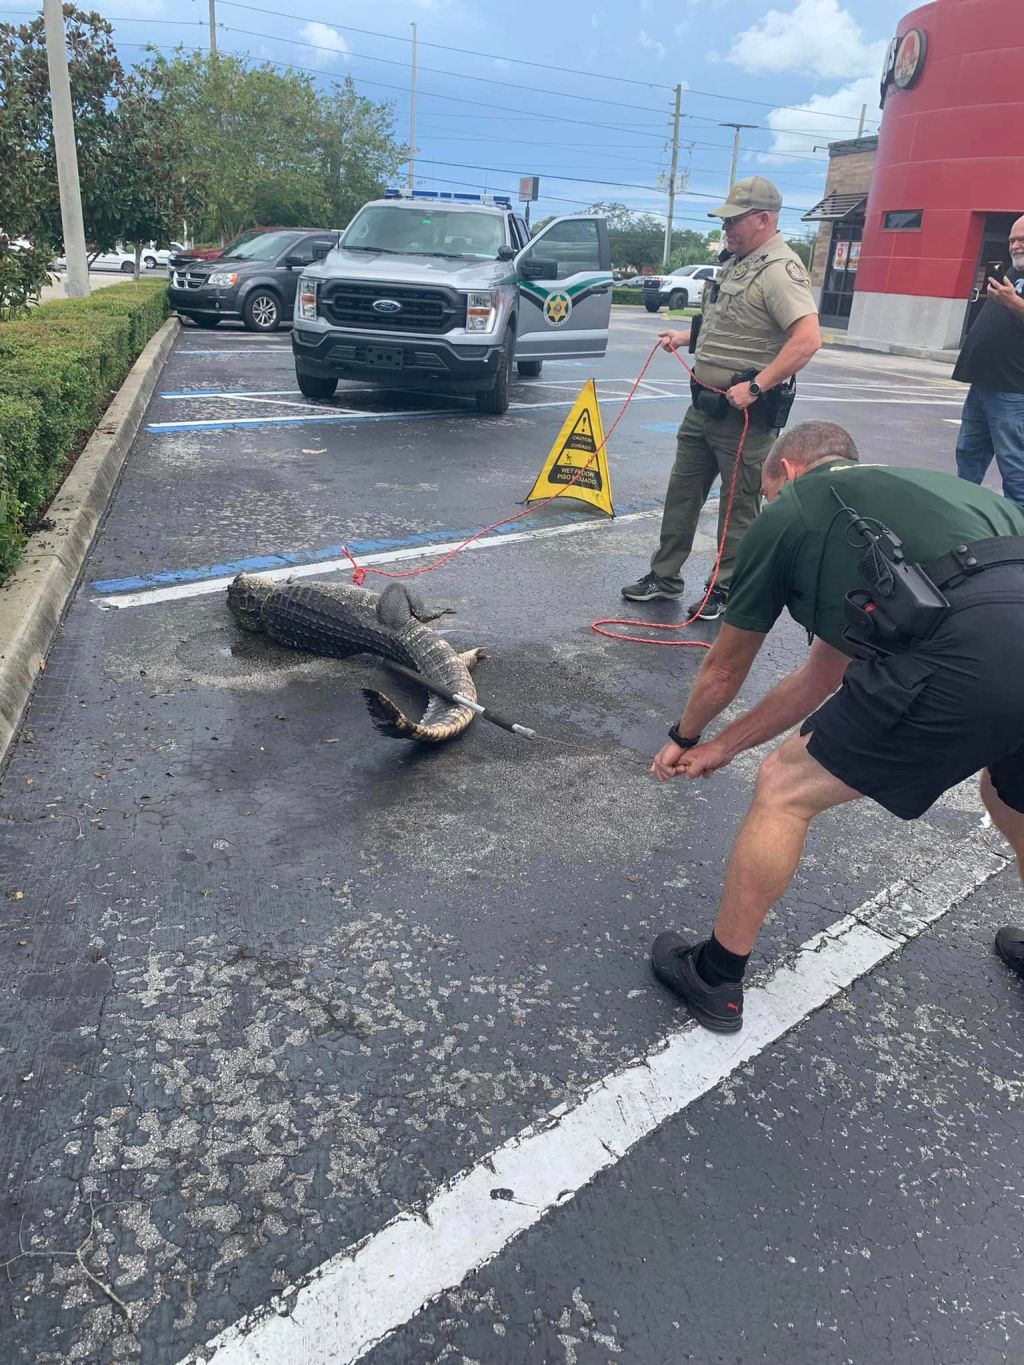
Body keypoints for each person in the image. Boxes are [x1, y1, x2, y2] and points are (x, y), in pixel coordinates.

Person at [646, 420, 1024, 1032]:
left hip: (974, 646)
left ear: (788, 470)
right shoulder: (933, 495)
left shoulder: (793, 507)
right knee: (1011, 796)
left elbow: (725, 666)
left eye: (769, 492)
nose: (771, 503)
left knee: (784, 789)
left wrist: (685, 736)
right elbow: (823, 674)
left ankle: (716, 976)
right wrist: (723, 747)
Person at [621, 177, 820, 620]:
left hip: (744, 416)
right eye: (725, 220)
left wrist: (756, 386)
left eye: (734, 220)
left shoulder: (779, 269)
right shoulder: (737, 263)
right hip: (705, 405)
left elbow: (807, 340)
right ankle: (664, 576)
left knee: (738, 506)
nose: (725, 228)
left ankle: (725, 588)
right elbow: (730, 324)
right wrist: (684, 335)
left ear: (763, 219)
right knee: (682, 493)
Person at [953, 215, 1024, 507]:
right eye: (1012, 240)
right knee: (968, 453)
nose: (1015, 245)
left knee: (1015, 464)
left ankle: (1018, 525)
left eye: (1022, 240)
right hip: (983, 382)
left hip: (1012, 388)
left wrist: (1012, 301)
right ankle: (963, 512)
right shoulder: (1013, 272)